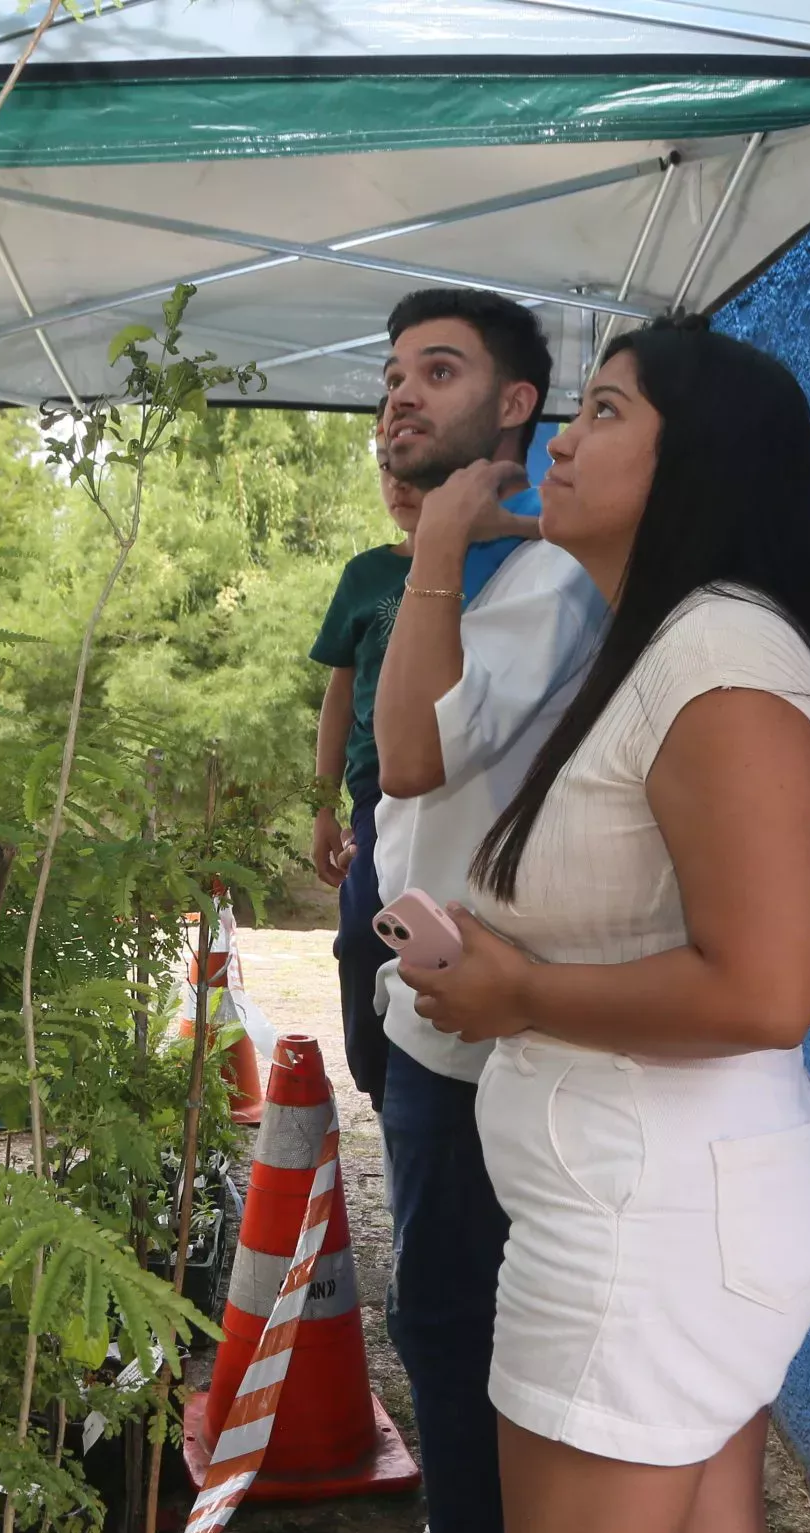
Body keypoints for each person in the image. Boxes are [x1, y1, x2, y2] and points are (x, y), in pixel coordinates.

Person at [408, 320, 810, 1533]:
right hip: (667, 1203)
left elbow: (768, 985)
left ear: (694, 465)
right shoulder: (665, 640)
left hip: (646, 1224)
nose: (562, 436)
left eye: (602, 410)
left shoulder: (716, 655)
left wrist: (516, 988)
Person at [301, 289, 608, 1533]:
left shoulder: (542, 583)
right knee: (460, 1309)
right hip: (442, 1000)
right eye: (391, 375)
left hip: (486, 1023)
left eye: (439, 371)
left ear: (517, 406)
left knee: (451, 1313)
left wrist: (433, 546)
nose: (400, 397)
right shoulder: (503, 563)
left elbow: (411, 754)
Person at [310, 413, 539, 1111]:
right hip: (378, 783)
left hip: (464, 767)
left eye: (417, 476)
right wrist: (322, 807)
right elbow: (338, 698)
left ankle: (449, 1067)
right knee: (362, 934)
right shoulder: (366, 575)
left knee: (449, 926)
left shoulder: (494, 569)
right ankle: (380, 1079)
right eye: (387, 470)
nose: (398, 486)